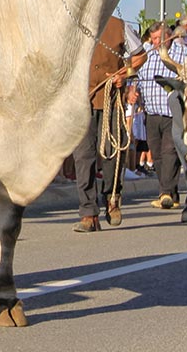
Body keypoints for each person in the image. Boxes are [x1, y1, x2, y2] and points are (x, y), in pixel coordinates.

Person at [72, 17, 145, 232]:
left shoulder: (120, 26)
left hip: (112, 100)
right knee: (83, 156)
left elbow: (140, 55)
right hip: (82, 100)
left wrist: (124, 74)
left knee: (113, 152)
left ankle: (112, 198)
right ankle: (88, 212)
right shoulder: (74, 23)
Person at [135, 21, 187, 209]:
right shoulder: (147, 55)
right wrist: (135, 93)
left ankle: (164, 192)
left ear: (169, 36)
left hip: (172, 112)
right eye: (155, 38)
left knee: (169, 152)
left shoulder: (182, 54)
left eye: (160, 38)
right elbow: (139, 79)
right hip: (151, 113)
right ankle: (171, 194)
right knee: (156, 155)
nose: (157, 42)